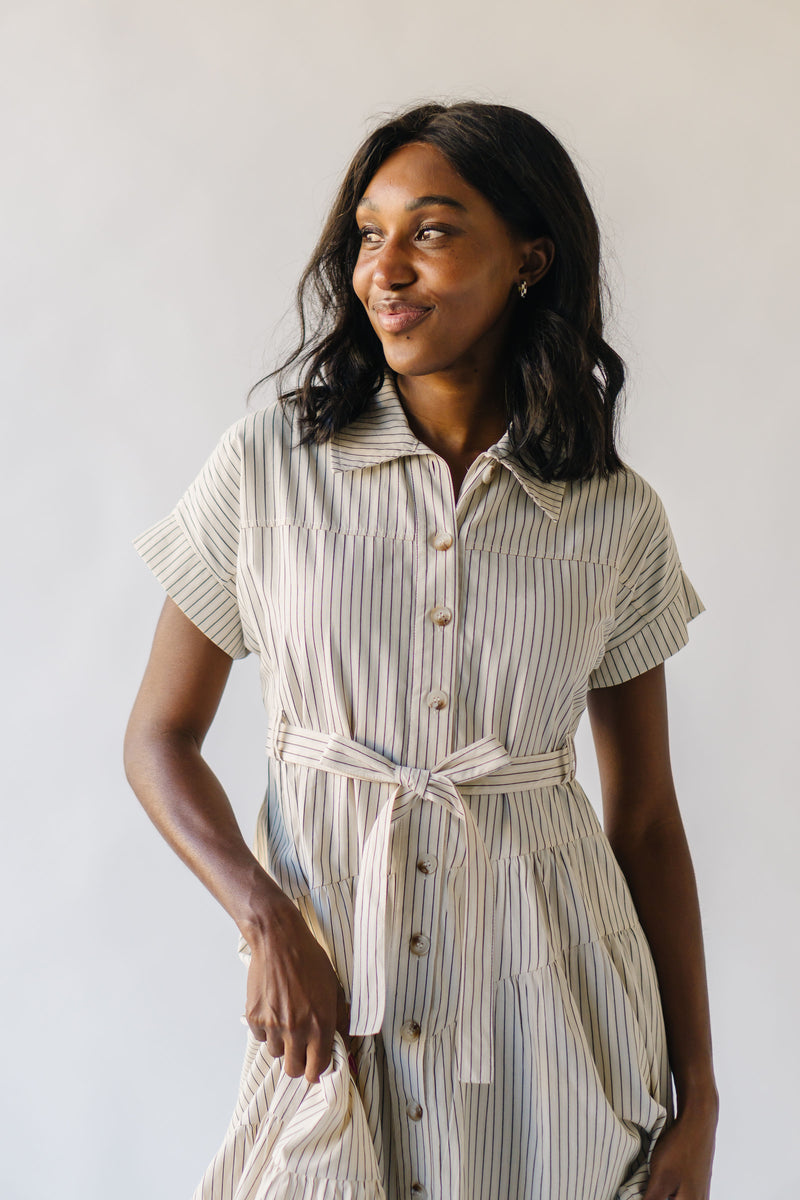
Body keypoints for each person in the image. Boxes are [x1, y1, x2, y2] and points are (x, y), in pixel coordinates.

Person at [124, 101, 718, 1200]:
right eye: (366, 234)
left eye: (431, 232)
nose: (383, 270)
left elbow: (642, 819)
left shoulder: (610, 515)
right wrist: (266, 923)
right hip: (331, 998)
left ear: (528, 260)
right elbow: (159, 739)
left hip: (554, 1020)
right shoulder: (268, 467)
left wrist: (701, 1092)